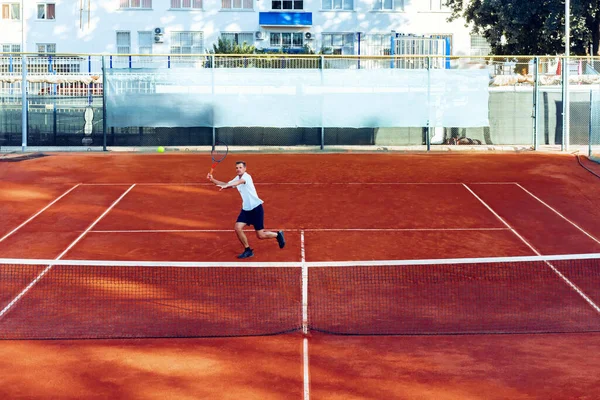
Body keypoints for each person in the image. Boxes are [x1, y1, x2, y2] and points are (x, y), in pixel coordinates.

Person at [207, 161, 285, 259]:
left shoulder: (246, 177)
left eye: (240, 167)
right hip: (246, 209)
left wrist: (226, 185)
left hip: (256, 208)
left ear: (245, 169)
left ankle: (277, 235)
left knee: (260, 235)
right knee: (237, 228)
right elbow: (226, 184)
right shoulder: (237, 178)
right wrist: (213, 179)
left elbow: (238, 182)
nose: (238, 169)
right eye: (236, 168)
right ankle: (248, 250)